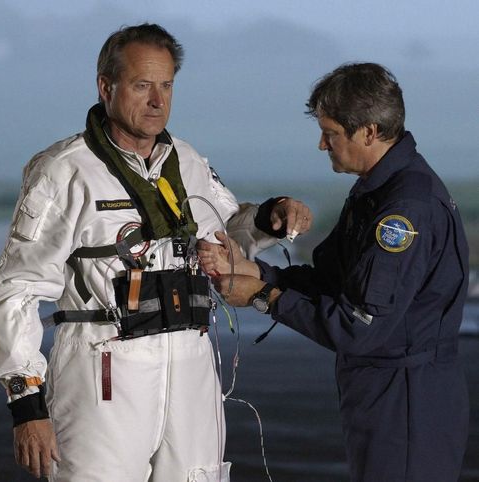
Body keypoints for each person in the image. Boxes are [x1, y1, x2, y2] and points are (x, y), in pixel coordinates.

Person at [0, 23, 313, 481]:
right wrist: (26, 404)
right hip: (104, 372)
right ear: (106, 87)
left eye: (167, 85)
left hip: (192, 368)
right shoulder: (63, 171)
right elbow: (15, 290)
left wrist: (267, 219)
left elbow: (228, 237)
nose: (158, 101)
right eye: (142, 86)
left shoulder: (188, 162)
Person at [200, 62, 469, 482]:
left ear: (369, 132)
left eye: (331, 133)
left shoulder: (404, 210)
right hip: (382, 392)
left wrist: (260, 297)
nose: (322, 145)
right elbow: (333, 283)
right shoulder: (377, 192)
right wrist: (256, 270)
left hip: (408, 399)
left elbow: (359, 326)